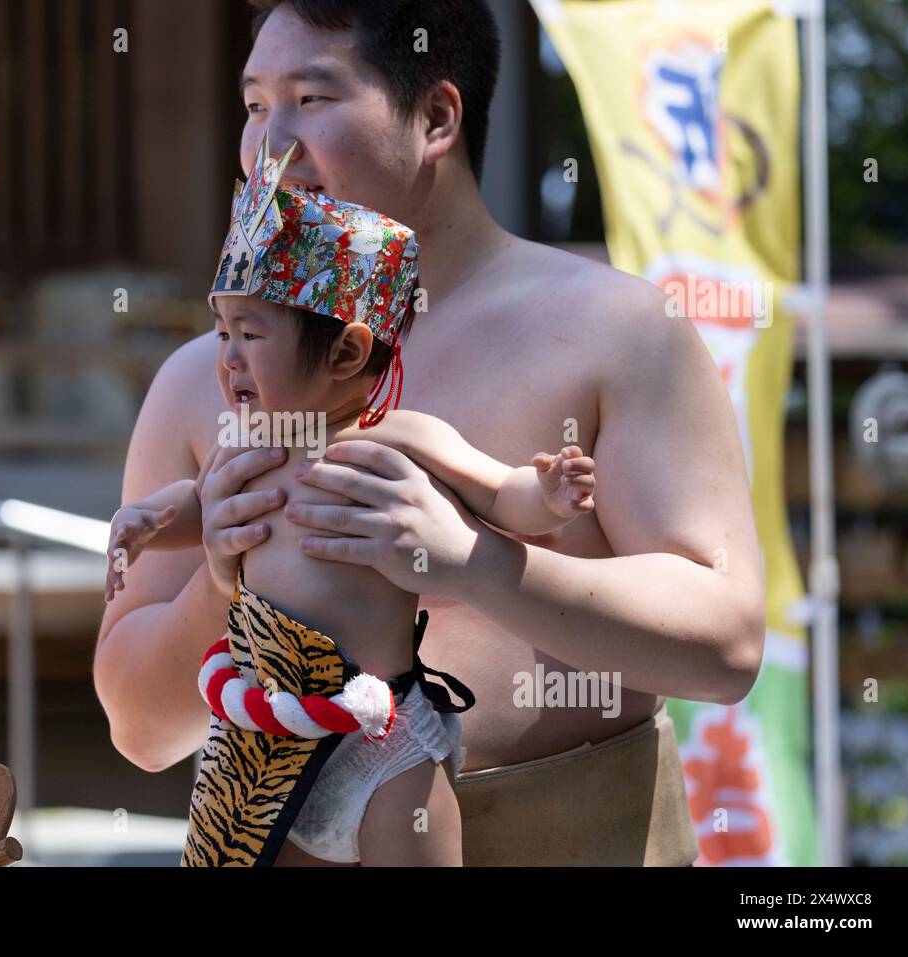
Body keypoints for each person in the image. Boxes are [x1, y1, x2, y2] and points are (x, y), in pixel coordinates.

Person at [95, 0, 764, 866]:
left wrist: (469, 561)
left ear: (437, 116)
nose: (271, 145)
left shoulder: (617, 329)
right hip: (288, 821)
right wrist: (221, 579)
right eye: (256, 105)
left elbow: (727, 644)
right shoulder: (208, 377)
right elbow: (139, 729)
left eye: (312, 99)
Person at [105, 139, 597, 865]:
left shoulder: (402, 438)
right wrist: (148, 520)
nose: (228, 358)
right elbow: (201, 505)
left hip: (382, 736)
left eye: (250, 334)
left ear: (344, 353)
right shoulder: (244, 445)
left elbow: (498, 493)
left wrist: (547, 492)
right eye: (221, 333)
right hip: (263, 741)